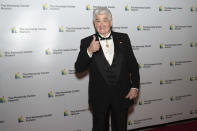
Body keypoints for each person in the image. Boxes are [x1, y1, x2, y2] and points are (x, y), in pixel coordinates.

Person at [75, 7, 140, 131]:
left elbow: (133, 65)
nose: (101, 24)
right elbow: (78, 68)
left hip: (122, 95)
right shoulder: (87, 42)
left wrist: (135, 86)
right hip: (99, 98)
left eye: (105, 20)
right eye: (97, 21)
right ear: (94, 24)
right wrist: (89, 51)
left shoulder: (124, 38)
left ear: (111, 22)